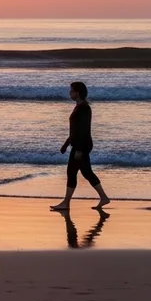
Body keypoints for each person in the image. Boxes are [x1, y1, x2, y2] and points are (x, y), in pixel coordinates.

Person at [50, 81, 110, 211]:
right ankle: (103, 197)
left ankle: (66, 203)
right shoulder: (79, 107)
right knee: (86, 172)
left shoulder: (84, 109)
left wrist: (79, 149)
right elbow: (74, 130)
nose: (69, 93)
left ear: (77, 92)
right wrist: (66, 144)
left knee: (72, 172)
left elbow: (82, 130)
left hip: (81, 145)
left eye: (71, 90)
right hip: (79, 144)